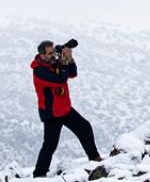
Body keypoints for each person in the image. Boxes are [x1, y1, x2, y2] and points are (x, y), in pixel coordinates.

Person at [31, 39, 103, 177]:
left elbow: (72, 74)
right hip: (51, 113)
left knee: (85, 127)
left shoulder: (53, 63)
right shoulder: (39, 72)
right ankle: (38, 175)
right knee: (50, 145)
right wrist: (63, 63)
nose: (53, 55)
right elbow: (60, 80)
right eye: (50, 53)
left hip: (64, 109)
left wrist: (69, 59)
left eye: (53, 52)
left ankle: (94, 158)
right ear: (42, 55)